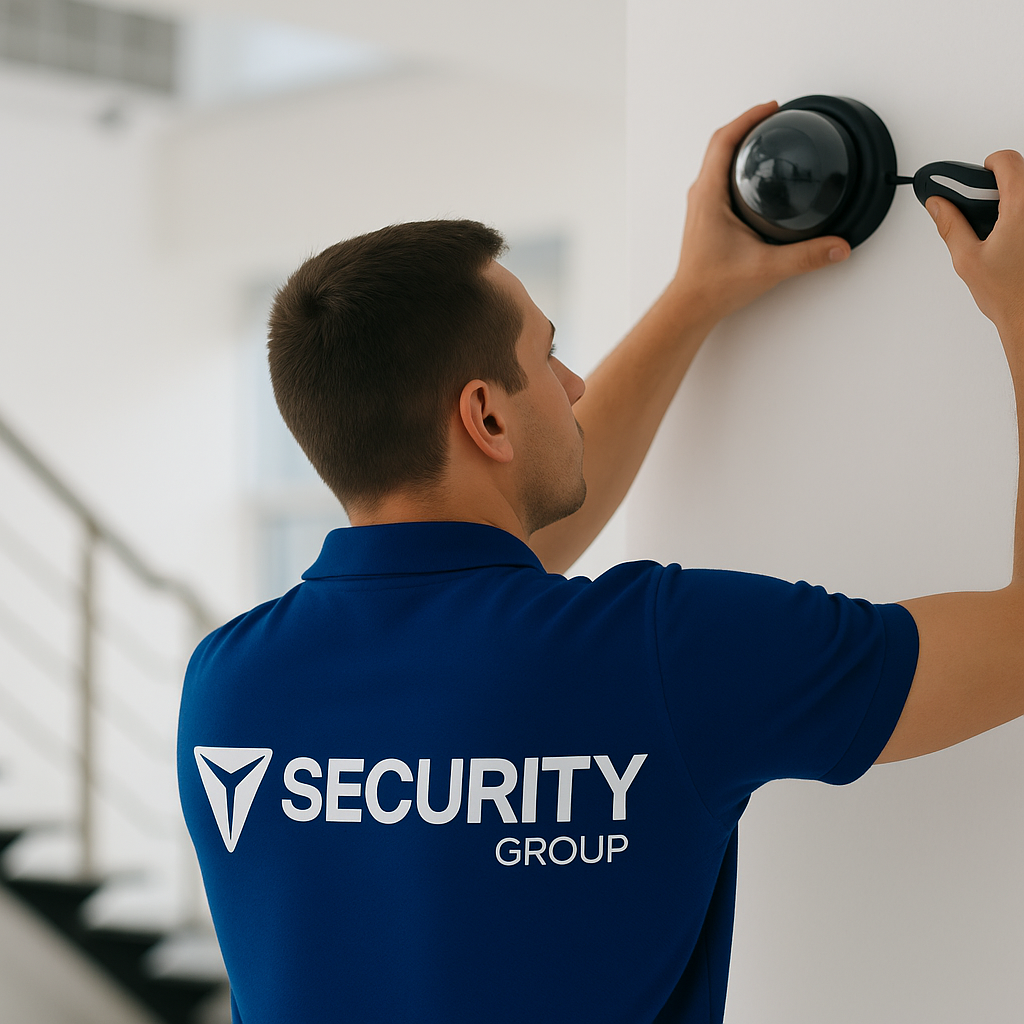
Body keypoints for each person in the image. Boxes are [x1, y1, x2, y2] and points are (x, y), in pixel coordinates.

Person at [177, 102, 1024, 1024]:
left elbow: (484, 591)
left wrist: (697, 291)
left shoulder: (229, 686)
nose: (573, 386)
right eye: (548, 355)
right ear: (487, 418)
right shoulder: (661, 652)